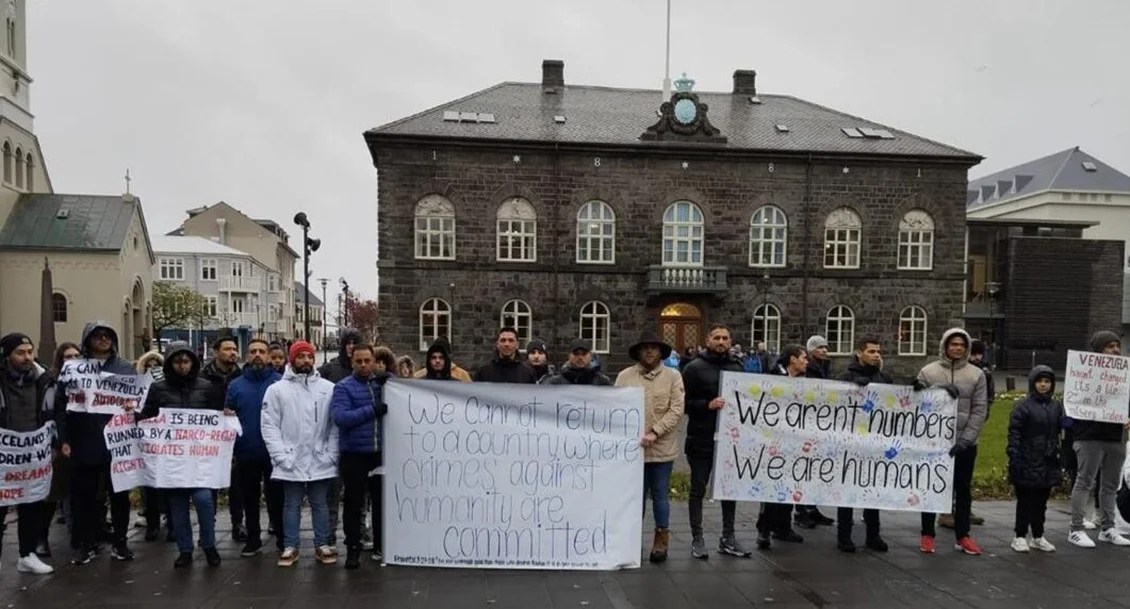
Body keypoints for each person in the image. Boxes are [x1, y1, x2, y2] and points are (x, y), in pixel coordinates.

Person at [136, 342, 222, 568]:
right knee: (178, 506)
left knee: (204, 501)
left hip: (200, 458)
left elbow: (217, 417)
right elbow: (148, 417)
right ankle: (185, 550)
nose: (182, 366)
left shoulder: (206, 386)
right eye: (177, 362)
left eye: (186, 361)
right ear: (170, 364)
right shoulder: (158, 388)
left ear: (193, 362)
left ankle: (209, 545)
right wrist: (135, 415)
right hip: (173, 460)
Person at [57, 321, 137, 565]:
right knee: (84, 496)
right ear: (87, 340)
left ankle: (121, 542)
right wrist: (64, 439)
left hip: (117, 440)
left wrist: (133, 407)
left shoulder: (124, 368)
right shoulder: (73, 368)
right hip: (84, 439)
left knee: (120, 495)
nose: (104, 339)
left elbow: (138, 399)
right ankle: (86, 543)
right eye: (98, 336)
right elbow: (61, 405)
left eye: (108, 335)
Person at [262, 341, 339, 567]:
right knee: (291, 503)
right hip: (291, 459)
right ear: (292, 359)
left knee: (320, 503)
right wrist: (280, 456)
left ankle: (322, 544)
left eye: (309, 356)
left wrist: (331, 453)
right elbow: (269, 425)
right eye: (301, 356)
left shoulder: (327, 388)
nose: (306, 360)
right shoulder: (276, 390)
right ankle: (290, 545)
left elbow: (335, 425)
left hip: (319, 458)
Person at [916, 327, 986, 555]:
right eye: (953, 344)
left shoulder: (976, 375)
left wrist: (966, 440)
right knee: (930, 489)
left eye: (961, 345)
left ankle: (963, 535)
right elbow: (916, 403)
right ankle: (927, 534)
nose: (957, 348)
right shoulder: (928, 372)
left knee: (963, 490)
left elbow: (979, 410)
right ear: (945, 346)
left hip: (963, 444)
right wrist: (936, 389)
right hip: (933, 443)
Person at [615, 332, 684, 563]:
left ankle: (661, 540)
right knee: (635, 497)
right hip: (633, 449)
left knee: (660, 495)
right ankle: (632, 540)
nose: (649, 352)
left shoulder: (673, 377)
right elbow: (614, 408)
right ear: (638, 351)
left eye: (653, 347)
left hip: (662, 448)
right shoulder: (624, 377)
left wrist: (655, 432)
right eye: (645, 348)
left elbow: (676, 410)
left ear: (660, 351)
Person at [683, 324, 749, 559]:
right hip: (701, 437)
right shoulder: (693, 369)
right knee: (698, 489)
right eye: (717, 338)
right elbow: (683, 404)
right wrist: (706, 405)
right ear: (708, 340)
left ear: (730, 342)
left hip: (729, 441)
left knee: (728, 490)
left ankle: (728, 537)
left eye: (725, 338)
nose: (721, 341)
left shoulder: (737, 368)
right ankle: (697, 538)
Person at [1067, 331, 1130, 548]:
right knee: (1085, 481)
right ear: (1098, 350)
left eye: (1117, 346)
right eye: (1110, 346)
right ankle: (1075, 528)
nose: (1115, 350)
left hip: (1116, 435)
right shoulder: (1084, 372)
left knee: (1111, 484)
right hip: (1090, 435)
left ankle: (1108, 527)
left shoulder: (1124, 373)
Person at [330, 344, 389, 569]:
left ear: (374, 361)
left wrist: (390, 380)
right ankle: (352, 548)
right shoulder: (343, 388)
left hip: (379, 454)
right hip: (354, 455)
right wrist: (372, 410)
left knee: (380, 503)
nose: (364, 365)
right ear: (352, 362)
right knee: (354, 504)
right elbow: (341, 418)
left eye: (367, 360)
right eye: (359, 361)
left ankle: (380, 546)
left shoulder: (382, 384)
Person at [0, 333, 55, 574]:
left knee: (31, 504)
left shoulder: (42, 380)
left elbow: (50, 413)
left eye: (29, 352)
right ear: (7, 356)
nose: (27, 357)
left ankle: (27, 554)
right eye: (20, 353)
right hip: (5, 455)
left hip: (32, 454)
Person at [225, 338, 283, 557]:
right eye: (253, 351)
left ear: (269, 356)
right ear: (246, 356)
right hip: (246, 451)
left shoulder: (279, 383)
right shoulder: (236, 385)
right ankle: (253, 538)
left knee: (277, 497)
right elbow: (228, 414)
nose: (257, 355)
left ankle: (281, 537)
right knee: (249, 497)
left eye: (262, 351)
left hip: (274, 452)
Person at [835, 336, 891, 553]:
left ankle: (873, 534)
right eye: (871, 351)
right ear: (859, 353)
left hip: (875, 441)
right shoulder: (846, 377)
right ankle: (844, 535)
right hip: (850, 442)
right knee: (848, 489)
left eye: (878, 351)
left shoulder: (884, 379)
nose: (876, 355)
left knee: (873, 489)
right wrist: (851, 387)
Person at [756, 344, 808, 549]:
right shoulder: (774, 376)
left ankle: (783, 527)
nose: (806, 361)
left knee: (789, 485)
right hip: (773, 442)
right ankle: (764, 530)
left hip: (793, 442)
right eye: (803, 358)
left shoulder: (804, 380)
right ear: (792, 359)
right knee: (770, 488)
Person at [1007, 365, 1062, 553]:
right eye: (1040, 381)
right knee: (1025, 500)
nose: (1044, 385)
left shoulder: (1056, 406)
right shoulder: (1023, 407)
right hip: (1027, 458)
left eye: (1047, 382)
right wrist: (1014, 454)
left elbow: (1061, 426)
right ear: (1033, 383)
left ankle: (1038, 535)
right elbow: (1015, 432)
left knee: (1041, 501)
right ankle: (1020, 535)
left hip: (1047, 459)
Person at [39, 341, 81, 557]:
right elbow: (49, 413)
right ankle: (41, 537)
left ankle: (78, 533)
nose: (72, 360)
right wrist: (57, 442)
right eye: (68, 357)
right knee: (54, 491)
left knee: (79, 491)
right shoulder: (51, 382)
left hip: (81, 441)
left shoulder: (87, 381)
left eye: (76, 356)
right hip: (58, 442)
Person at [202, 337, 244, 542]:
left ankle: (238, 523)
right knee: (210, 486)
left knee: (237, 484)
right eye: (227, 349)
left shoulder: (242, 376)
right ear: (215, 352)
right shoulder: (203, 378)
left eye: (234, 349)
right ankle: (208, 528)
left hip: (234, 437)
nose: (232, 353)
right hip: (210, 438)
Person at [793, 335, 836, 529]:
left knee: (814, 470)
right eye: (820, 348)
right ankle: (801, 511)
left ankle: (812, 508)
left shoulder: (824, 367)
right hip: (807, 424)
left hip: (819, 424)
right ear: (811, 351)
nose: (825, 350)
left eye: (826, 347)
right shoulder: (807, 370)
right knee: (803, 470)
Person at [544, 340, 611, 385]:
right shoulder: (555, 383)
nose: (580, 357)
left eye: (584, 354)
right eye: (576, 354)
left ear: (590, 356)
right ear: (569, 356)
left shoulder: (603, 382)